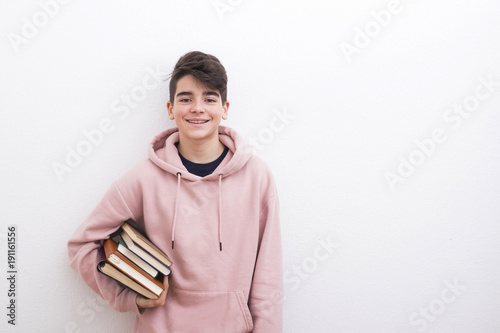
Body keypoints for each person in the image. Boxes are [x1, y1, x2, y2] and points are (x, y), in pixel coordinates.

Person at [67, 51, 283, 332]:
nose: (197, 108)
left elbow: (269, 275)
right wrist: (129, 297)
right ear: (170, 109)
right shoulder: (143, 179)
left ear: (225, 108)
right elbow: (81, 245)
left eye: (209, 98)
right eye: (186, 98)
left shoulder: (257, 177)